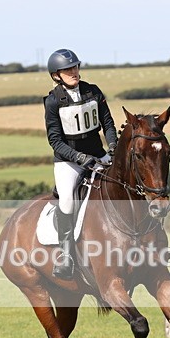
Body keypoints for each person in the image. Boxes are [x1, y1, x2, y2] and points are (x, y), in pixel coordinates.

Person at [44, 48, 118, 280]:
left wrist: (113, 146)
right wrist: (79, 159)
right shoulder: (53, 101)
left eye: (75, 67)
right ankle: (66, 255)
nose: (74, 72)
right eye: (68, 69)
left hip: (98, 155)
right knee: (67, 200)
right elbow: (55, 141)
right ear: (56, 75)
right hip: (70, 162)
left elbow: (107, 122)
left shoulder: (93, 91)